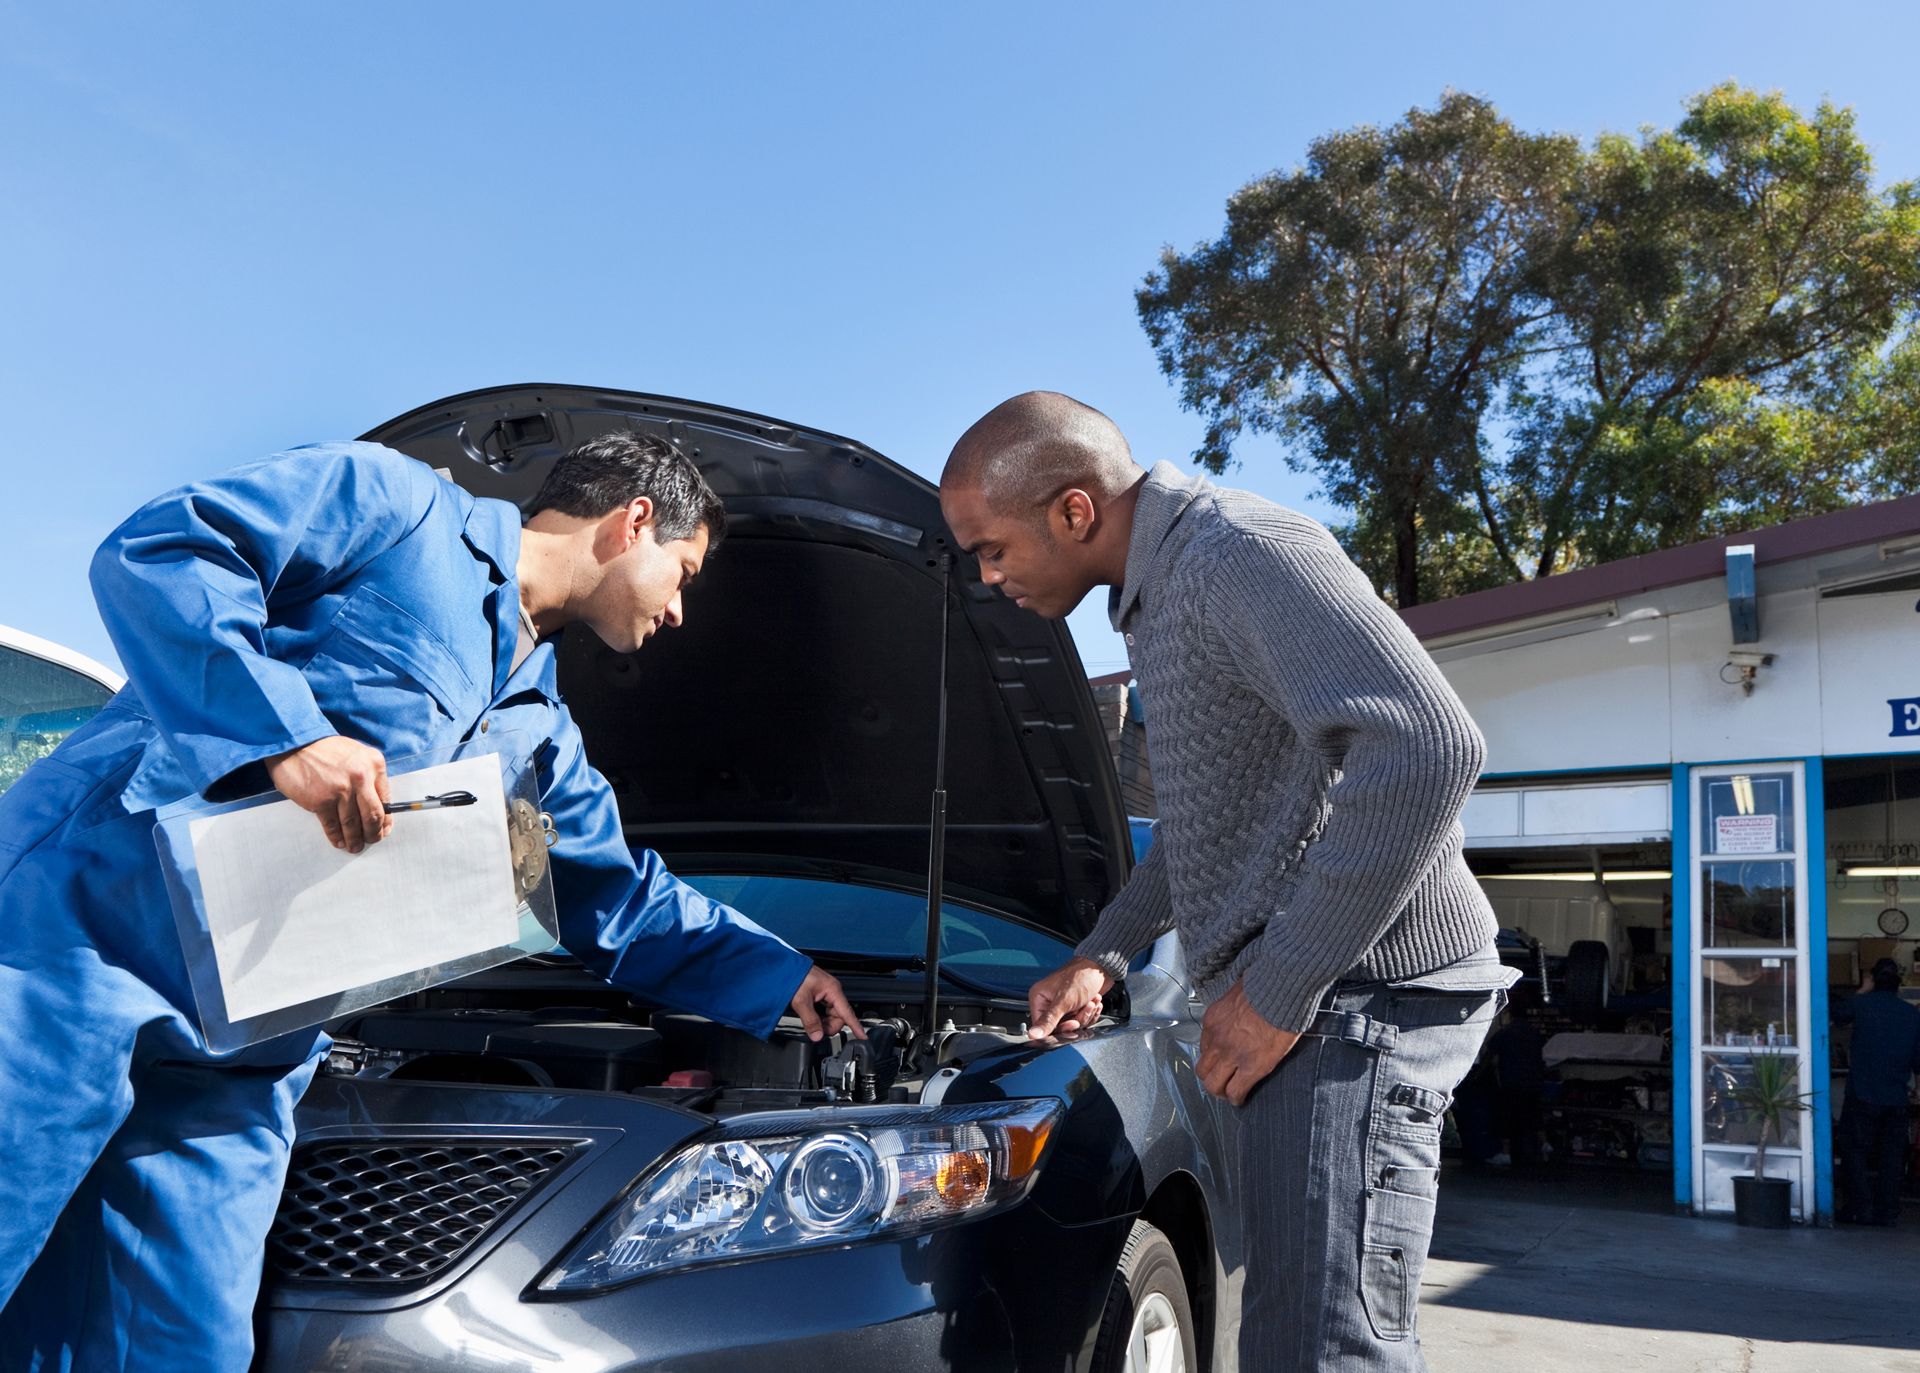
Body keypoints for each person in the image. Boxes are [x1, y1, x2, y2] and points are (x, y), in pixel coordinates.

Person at [0, 433, 863, 1370]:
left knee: (178, 1346)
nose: (681, 608)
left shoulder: (537, 732)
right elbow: (163, 550)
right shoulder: (398, 506)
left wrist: (784, 975)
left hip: (245, 1053)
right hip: (77, 953)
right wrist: (286, 737)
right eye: (684, 572)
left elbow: (611, 895)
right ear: (635, 521)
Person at [940, 392, 1513, 1373]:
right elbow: (1213, 829)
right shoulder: (1159, 599)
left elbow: (1428, 746)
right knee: (1291, 1336)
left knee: (1318, 1351)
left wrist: (1280, 988)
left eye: (992, 549)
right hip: (1331, 1006)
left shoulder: (1237, 554)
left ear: (1073, 511)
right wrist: (1101, 955)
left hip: (1358, 1006)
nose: (989, 579)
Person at [1834, 957, 1920, 1226]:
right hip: (1896, 1097)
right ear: (1899, 983)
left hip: (1862, 1093)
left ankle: (1859, 1208)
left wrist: (1861, 990)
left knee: (1855, 1152)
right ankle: (1887, 1212)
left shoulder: (1861, 1004)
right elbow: (1918, 1060)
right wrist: (1915, 1088)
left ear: (1873, 979)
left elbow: (1836, 1013)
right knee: (1891, 1158)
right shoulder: (1911, 1014)